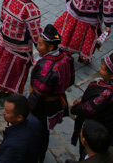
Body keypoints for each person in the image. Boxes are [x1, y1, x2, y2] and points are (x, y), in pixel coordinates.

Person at [28, 24, 75, 162]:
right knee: (45, 131)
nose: (37, 47)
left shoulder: (46, 67)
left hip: (43, 106)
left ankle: (37, 156)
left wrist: (27, 109)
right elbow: (71, 79)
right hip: (56, 101)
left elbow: (37, 94)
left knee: (39, 130)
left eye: (41, 45)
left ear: (50, 48)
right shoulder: (66, 57)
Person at [70, 52, 113, 149]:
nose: (99, 69)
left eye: (103, 68)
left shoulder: (105, 94)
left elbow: (87, 109)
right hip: (105, 122)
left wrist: (75, 108)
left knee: (86, 148)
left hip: (93, 125)